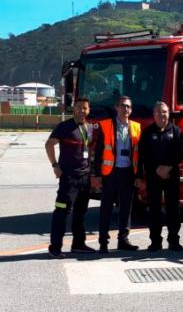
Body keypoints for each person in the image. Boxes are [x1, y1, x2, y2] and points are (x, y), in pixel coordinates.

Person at [45, 98, 96, 258]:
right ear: (74, 109)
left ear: (89, 110)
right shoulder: (64, 127)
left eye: (85, 108)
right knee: (62, 211)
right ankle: (55, 247)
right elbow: (49, 144)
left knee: (80, 213)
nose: (82, 111)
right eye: (79, 108)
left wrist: (92, 173)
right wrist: (55, 165)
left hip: (85, 178)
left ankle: (78, 244)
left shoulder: (90, 127)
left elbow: (90, 151)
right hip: (69, 179)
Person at [92, 96, 141, 253]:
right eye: (122, 106)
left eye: (127, 107)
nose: (125, 109)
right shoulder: (105, 125)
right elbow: (98, 152)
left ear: (131, 110)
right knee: (106, 208)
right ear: (116, 107)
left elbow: (140, 154)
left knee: (126, 208)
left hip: (128, 172)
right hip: (110, 173)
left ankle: (123, 240)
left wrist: (139, 175)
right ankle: (103, 242)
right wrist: (97, 174)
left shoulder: (136, 127)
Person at [138, 101, 183, 252]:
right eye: (158, 112)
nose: (161, 114)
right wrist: (156, 169)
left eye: (164, 112)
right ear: (154, 115)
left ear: (168, 113)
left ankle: (174, 241)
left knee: (173, 209)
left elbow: (180, 153)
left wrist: (169, 167)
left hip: (172, 175)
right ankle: (155, 242)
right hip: (154, 176)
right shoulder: (147, 132)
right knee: (154, 210)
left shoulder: (176, 131)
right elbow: (143, 155)